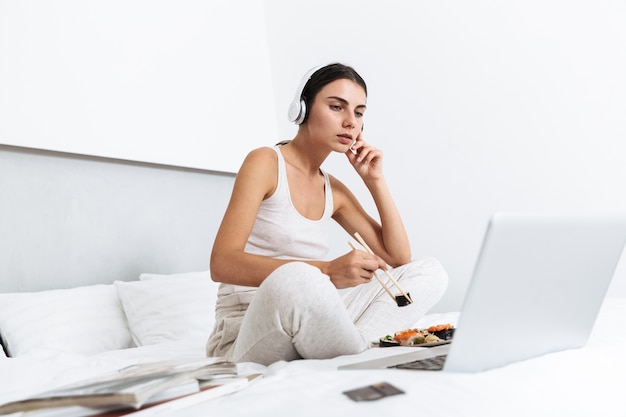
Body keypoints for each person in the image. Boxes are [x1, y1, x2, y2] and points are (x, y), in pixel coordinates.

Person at [206, 63, 448, 366]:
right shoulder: (265, 163)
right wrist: (327, 271)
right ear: (302, 109)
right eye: (337, 107)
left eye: (359, 113)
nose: (350, 122)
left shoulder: (334, 190)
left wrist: (375, 181)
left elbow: (399, 259)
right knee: (299, 278)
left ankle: (350, 346)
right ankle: (359, 348)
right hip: (249, 331)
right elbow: (221, 263)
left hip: (311, 323)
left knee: (430, 272)